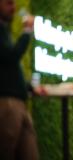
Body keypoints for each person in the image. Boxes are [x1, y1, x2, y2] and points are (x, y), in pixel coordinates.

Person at [0, 0, 38, 159]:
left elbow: (9, 68)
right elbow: (11, 56)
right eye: (8, 3)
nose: (13, 8)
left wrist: (29, 87)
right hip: (8, 104)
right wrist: (27, 31)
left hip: (18, 104)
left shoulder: (4, 30)